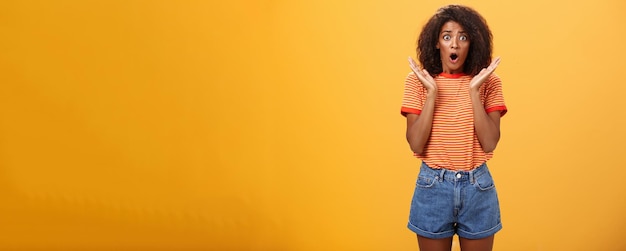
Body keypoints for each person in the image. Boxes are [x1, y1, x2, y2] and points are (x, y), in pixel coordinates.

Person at [401, 5, 507, 251]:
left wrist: (473, 92)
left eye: (463, 37)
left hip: (477, 187)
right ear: (437, 42)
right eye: (447, 36)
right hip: (433, 187)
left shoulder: (488, 82)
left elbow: (490, 143)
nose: (455, 45)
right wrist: (431, 95)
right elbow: (416, 144)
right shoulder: (419, 82)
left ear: (473, 42)